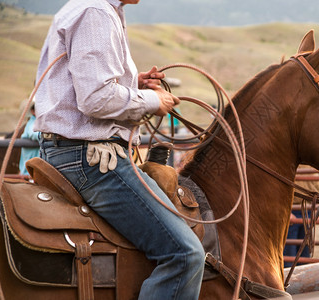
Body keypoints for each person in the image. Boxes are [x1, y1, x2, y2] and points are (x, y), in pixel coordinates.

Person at [33, 0, 204, 299]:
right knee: (185, 255)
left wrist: (133, 84)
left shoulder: (88, 7)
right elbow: (96, 98)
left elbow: (84, 84)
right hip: (90, 160)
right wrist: (153, 102)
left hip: (69, 152)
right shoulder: (95, 11)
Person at [19, 103, 40, 175]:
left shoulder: (38, 122)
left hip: (33, 165)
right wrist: (47, 136)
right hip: (30, 168)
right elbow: (34, 133)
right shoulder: (32, 123)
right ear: (33, 111)